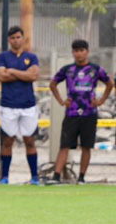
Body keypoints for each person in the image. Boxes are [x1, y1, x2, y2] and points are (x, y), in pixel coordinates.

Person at [47, 39, 113, 184]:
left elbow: (110, 83)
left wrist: (101, 101)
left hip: (89, 113)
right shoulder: (67, 70)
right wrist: (61, 101)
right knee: (65, 145)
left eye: (81, 50)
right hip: (72, 113)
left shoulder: (96, 69)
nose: (79, 54)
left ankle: (82, 177)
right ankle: (56, 176)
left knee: (86, 146)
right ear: (73, 53)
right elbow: (53, 84)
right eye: (76, 51)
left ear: (87, 52)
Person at [0, 26, 40, 185]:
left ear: (23, 38)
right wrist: (23, 74)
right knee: (8, 141)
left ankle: (35, 177)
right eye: (13, 38)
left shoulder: (32, 57)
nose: (16, 40)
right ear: (9, 40)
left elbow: (33, 75)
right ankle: (4, 177)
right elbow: (2, 76)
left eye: (18, 37)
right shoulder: (2, 57)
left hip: (28, 105)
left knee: (30, 141)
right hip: (8, 105)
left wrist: (13, 71)